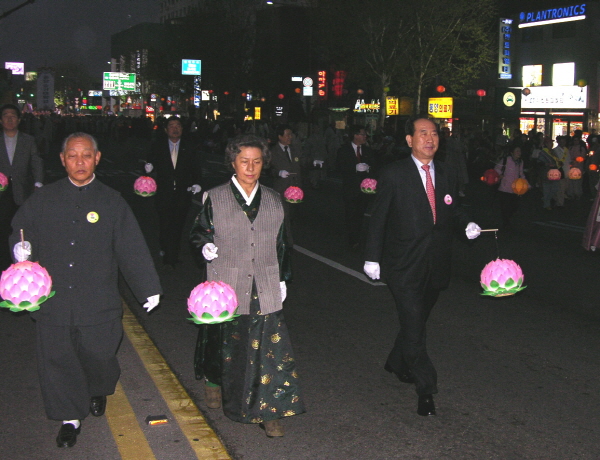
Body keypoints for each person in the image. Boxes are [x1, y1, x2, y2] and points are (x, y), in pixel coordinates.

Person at [10, 133, 162, 448]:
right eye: (73, 156)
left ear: (97, 158)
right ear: (62, 159)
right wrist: (21, 248)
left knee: (100, 355)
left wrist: (148, 287)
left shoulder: (112, 201)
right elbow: (20, 230)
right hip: (53, 299)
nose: (80, 162)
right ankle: (70, 417)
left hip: (98, 300)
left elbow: (130, 247)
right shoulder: (44, 199)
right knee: (58, 358)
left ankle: (98, 387)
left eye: (87, 155)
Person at [363, 117, 481, 417]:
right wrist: (372, 256)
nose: (430, 138)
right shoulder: (394, 174)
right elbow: (378, 217)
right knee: (415, 327)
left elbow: (454, 209)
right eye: (423, 133)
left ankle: (396, 361)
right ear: (409, 139)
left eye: (434, 133)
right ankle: (426, 388)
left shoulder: (446, 172)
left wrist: (466, 223)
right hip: (403, 265)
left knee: (417, 320)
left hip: (437, 264)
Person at [190, 134, 305, 438]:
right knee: (224, 343)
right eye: (244, 161)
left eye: (256, 162)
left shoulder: (272, 199)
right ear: (232, 162)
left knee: (268, 349)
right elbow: (199, 232)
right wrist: (204, 247)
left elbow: (282, 244)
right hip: (226, 284)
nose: (250, 167)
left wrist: (282, 278)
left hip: (265, 283)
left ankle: (269, 410)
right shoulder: (214, 197)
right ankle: (214, 381)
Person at [145, 116, 202, 267]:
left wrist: (197, 183)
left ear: (182, 129)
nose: (175, 129)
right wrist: (148, 167)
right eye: (171, 126)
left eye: (178, 126)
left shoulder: (189, 147)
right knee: (165, 225)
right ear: (166, 130)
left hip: (183, 193)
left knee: (178, 226)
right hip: (164, 193)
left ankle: (173, 256)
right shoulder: (158, 146)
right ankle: (165, 251)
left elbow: (196, 168)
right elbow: (148, 163)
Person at [0, 103, 44, 270]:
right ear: (1, 120)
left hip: (22, 192)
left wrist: (38, 183)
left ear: (19, 120)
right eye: (6, 116)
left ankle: (21, 264)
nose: (9, 119)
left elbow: (36, 162)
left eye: (13, 116)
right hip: (2, 193)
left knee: (21, 228)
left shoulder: (28, 140)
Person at [336, 125, 375, 248]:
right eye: (363, 134)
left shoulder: (367, 150)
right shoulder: (344, 150)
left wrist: (368, 169)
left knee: (360, 214)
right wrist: (354, 168)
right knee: (351, 214)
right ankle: (352, 239)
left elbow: (375, 166)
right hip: (350, 188)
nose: (365, 137)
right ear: (355, 135)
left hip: (364, 190)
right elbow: (339, 167)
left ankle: (357, 235)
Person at [269, 124, 303, 245]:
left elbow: (303, 163)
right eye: (287, 135)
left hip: (296, 190)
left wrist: (314, 163)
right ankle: (287, 242)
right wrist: (278, 173)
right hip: (282, 189)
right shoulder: (273, 151)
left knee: (293, 215)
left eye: (291, 134)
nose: (290, 137)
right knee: (285, 215)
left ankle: (287, 236)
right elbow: (267, 169)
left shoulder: (295, 149)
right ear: (280, 136)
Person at [495, 145, 529, 229]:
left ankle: (507, 220)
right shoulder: (506, 160)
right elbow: (497, 168)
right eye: (517, 151)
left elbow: (521, 174)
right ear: (512, 152)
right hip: (505, 187)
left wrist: (527, 184)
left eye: (520, 151)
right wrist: (500, 175)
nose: (519, 153)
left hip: (515, 188)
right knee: (505, 206)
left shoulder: (520, 162)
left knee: (514, 206)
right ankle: (506, 222)